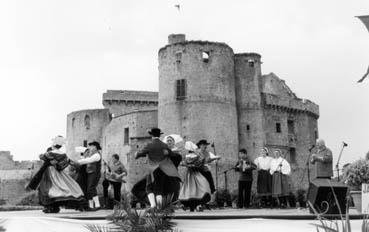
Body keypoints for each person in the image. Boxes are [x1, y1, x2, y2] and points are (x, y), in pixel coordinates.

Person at [135, 128, 181, 209]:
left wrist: (137, 154)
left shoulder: (149, 145)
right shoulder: (164, 145)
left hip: (152, 169)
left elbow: (140, 154)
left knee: (149, 188)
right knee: (159, 188)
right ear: (159, 135)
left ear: (151, 135)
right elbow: (172, 154)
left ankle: (153, 206)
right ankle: (160, 207)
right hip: (162, 170)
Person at [37, 136, 84, 213]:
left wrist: (51, 159)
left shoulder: (49, 153)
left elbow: (41, 156)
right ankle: (76, 203)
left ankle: (51, 207)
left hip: (50, 172)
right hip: (59, 172)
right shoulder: (63, 154)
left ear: (54, 144)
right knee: (66, 186)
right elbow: (69, 162)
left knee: (47, 188)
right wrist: (77, 164)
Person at [179, 141, 211, 212]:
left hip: (190, 173)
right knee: (201, 186)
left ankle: (192, 206)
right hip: (194, 173)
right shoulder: (194, 155)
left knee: (190, 189)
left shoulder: (188, 155)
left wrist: (188, 164)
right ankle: (194, 205)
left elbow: (183, 163)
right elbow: (200, 161)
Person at [71, 141, 102, 211]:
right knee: (89, 190)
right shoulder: (92, 155)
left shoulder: (97, 155)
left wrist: (78, 162)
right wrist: (78, 160)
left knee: (91, 188)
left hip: (95, 173)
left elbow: (88, 160)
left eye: (92, 146)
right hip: (90, 173)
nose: (90, 148)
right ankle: (91, 206)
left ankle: (97, 205)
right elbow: (85, 159)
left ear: (96, 147)